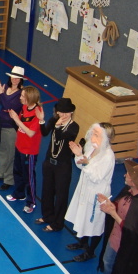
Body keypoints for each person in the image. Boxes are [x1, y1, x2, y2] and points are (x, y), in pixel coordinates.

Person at [65, 122, 116, 262]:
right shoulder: (93, 148)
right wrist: (78, 155)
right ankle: (83, 243)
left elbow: (96, 177)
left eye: (96, 134)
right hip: (85, 189)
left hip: (96, 195)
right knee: (84, 218)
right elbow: (81, 164)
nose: (93, 135)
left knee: (95, 224)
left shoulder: (108, 156)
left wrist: (85, 162)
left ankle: (90, 251)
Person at [36, 98, 79, 232]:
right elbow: (44, 132)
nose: (64, 115)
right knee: (47, 191)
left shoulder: (74, 127)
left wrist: (58, 127)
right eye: (61, 112)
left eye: (67, 112)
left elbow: (62, 137)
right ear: (57, 112)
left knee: (61, 195)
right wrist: (42, 121)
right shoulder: (55, 120)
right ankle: (48, 216)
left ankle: (58, 223)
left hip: (63, 166)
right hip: (49, 162)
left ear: (72, 112)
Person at [6, 86, 44, 214]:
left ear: (29, 98)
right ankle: (19, 193)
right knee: (17, 171)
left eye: (22, 96)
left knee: (29, 177)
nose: (20, 98)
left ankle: (31, 202)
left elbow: (31, 133)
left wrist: (16, 119)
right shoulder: (24, 107)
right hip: (19, 146)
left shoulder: (37, 113)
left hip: (29, 151)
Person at [0, 66, 25, 191]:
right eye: (13, 77)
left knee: (10, 154)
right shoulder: (4, 88)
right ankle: (1, 173)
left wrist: (1, 94)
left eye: (18, 78)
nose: (15, 80)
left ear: (21, 80)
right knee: (0, 150)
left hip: (11, 128)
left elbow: (9, 106)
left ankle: (9, 179)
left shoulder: (21, 94)